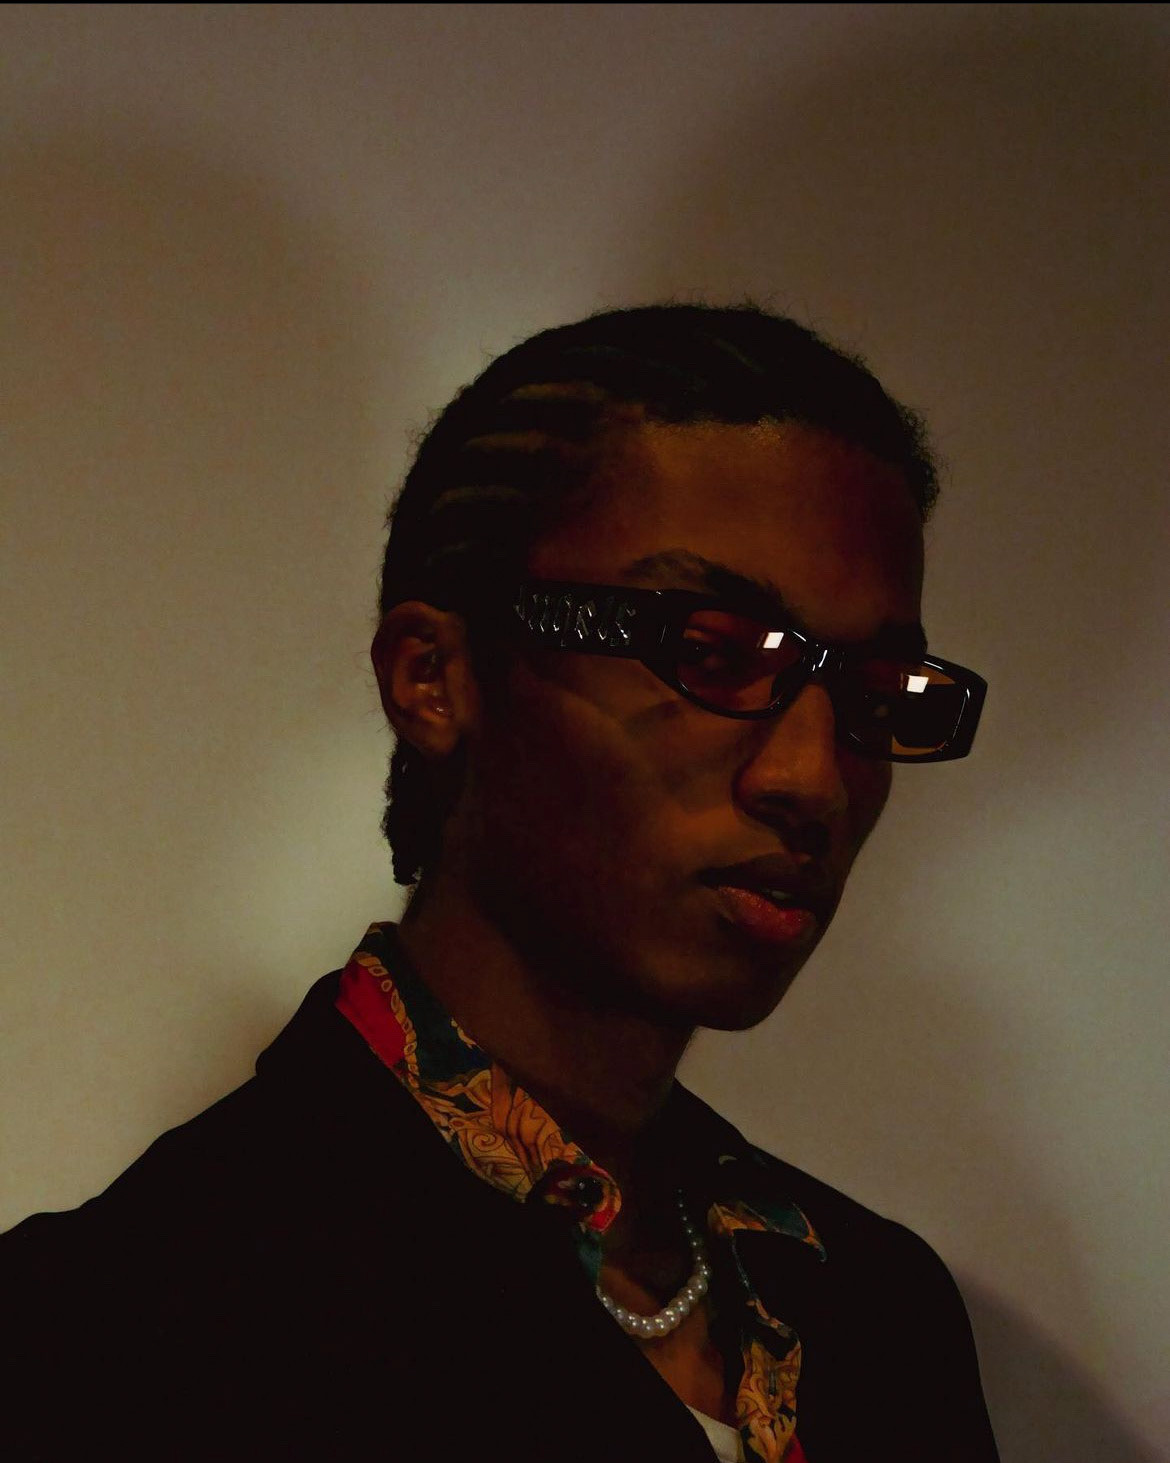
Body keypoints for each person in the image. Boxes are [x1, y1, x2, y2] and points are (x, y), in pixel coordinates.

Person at [2, 303, 996, 1461]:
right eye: (710, 652)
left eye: (877, 693)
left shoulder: (876, 1308)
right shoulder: (119, 1327)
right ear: (434, 676)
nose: (813, 777)